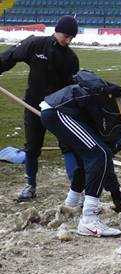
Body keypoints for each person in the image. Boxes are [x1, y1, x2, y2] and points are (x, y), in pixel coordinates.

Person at [0, 15, 80, 201]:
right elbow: (10, 55)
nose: (67, 41)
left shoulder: (70, 59)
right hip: (33, 104)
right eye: (66, 36)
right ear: (57, 30)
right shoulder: (35, 44)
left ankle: (75, 190)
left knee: (68, 146)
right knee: (32, 146)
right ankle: (30, 185)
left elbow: (73, 88)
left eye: (71, 38)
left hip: (58, 109)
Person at [40, 70, 121, 237]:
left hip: (62, 114)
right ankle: (88, 219)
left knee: (91, 158)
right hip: (58, 110)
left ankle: (70, 206)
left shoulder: (113, 128)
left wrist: (116, 193)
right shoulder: (116, 106)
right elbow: (83, 74)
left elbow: (106, 161)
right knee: (98, 154)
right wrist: (106, 89)